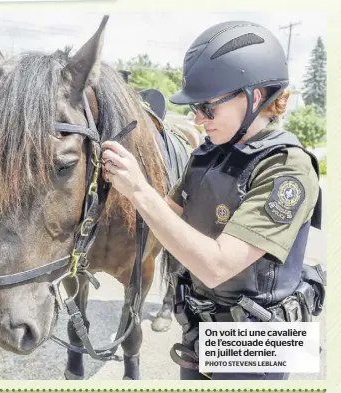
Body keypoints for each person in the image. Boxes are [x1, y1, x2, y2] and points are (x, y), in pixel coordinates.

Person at [101, 21, 324, 380]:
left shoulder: (287, 167)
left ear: (253, 96)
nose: (197, 118)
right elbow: (164, 221)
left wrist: (140, 189)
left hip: (258, 346)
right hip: (201, 330)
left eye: (207, 107)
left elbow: (217, 267)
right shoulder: (208, 154)